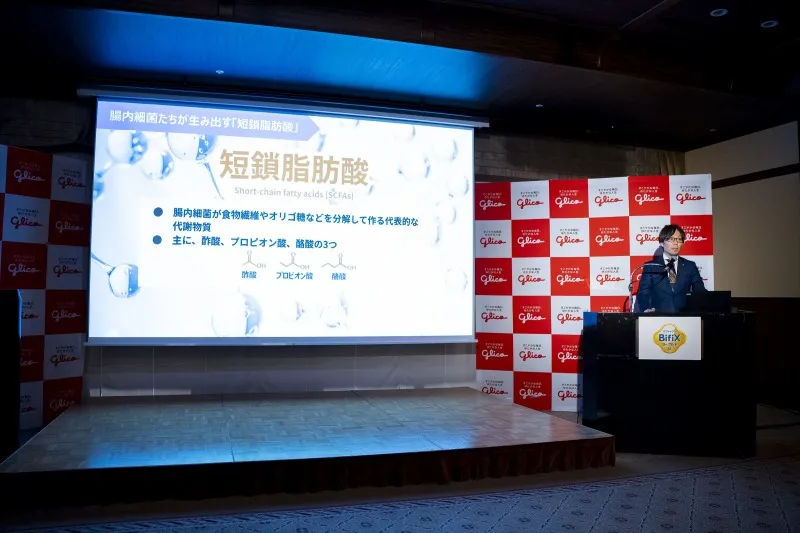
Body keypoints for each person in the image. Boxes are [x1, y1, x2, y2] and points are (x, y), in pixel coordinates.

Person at [634, 224, 706, 313]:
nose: (676, 243)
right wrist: (646, 309)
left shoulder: (690, 266)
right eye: (671, 239)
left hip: (684, 316)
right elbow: (644, 293)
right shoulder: (651, 266)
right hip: (658, 316)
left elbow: (700, 292)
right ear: (661, 243)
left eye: (679, 239)